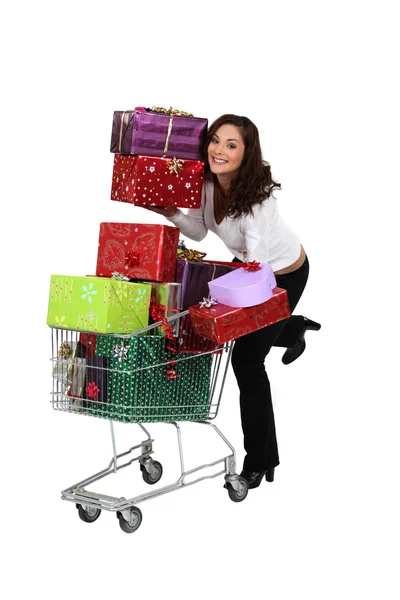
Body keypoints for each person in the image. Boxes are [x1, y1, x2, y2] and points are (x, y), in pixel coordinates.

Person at [146, 114, 321, 489]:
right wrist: (172, 212)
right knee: (246, 335)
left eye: (231, 145)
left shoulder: (259, 200)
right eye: (215, 141)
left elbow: (257, 263)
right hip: (251, 269)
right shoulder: (207, 183)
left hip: (282, 274)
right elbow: (199, 230)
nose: (219, 150)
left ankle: (259, 460)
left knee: (246, 358)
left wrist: (225, 298)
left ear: (247, 153)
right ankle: (293, 328)